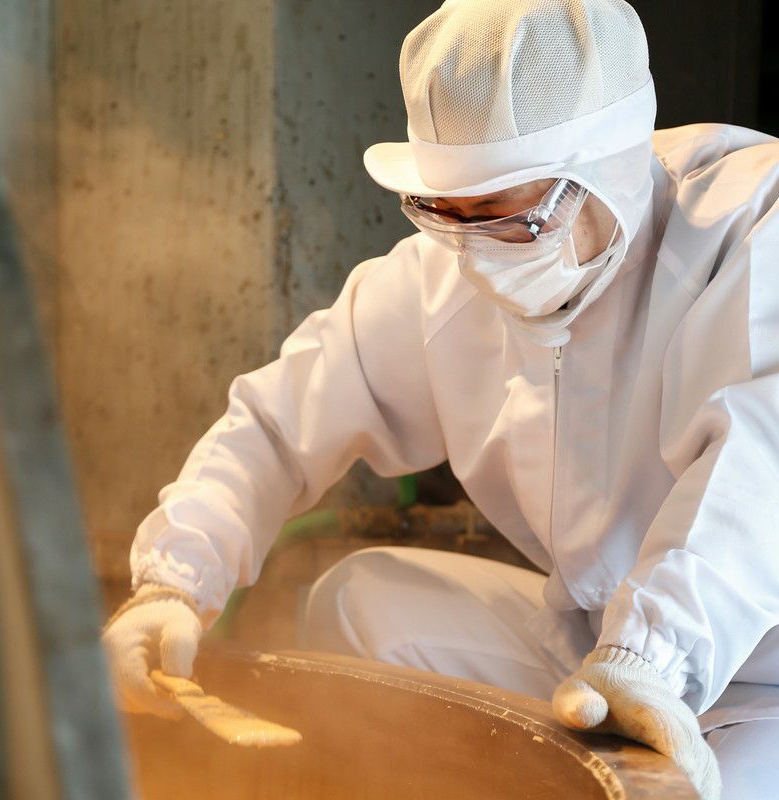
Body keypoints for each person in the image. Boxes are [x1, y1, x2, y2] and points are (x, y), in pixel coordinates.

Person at [103, 1, 779, 797]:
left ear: (605, 176)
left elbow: (758, 474)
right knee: (362, 604)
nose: (475, 255)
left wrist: (653, 656)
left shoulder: (752, 239)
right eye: (445, 213)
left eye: (503, 217)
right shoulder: (448, 275)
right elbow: (280, 422)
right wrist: (175, 582)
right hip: (596, 651)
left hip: (757, 679)